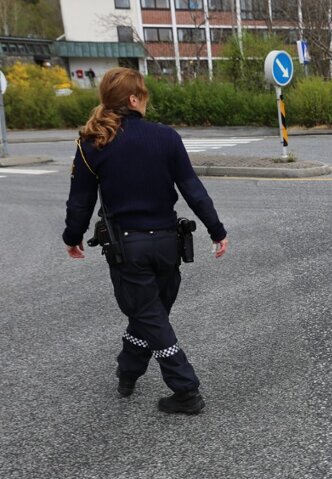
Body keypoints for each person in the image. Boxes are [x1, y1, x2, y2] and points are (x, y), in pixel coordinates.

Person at [62, 67, 229, 414]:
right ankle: (128, 372)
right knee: (150, 314)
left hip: (128, 250)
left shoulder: (93, 143)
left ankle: (186, 391)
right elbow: (193, 189)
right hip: (169, 245)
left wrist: (72, 237)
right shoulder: (166, 137)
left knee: (149, 315)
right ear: (135, 99)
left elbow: (81, 200)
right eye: (145, 96)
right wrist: (217, 230)